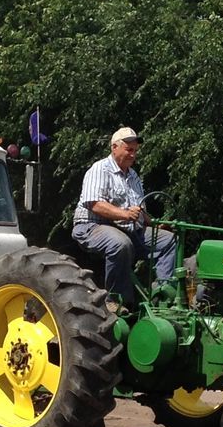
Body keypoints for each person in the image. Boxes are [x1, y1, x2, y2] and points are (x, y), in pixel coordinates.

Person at [73, 126, 176, 308]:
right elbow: (94, 204)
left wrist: (154, 225)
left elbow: (139, 209)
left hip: (127, 229)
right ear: (114, 147)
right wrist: (125, 214)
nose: (133, 155)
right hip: (92, 225)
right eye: (129, 150)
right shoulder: (100, 169)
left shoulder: (133, 176)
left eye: (135, 151)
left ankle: (163, 295)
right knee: (120, 244)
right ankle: (115, 300)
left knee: (169, 239)